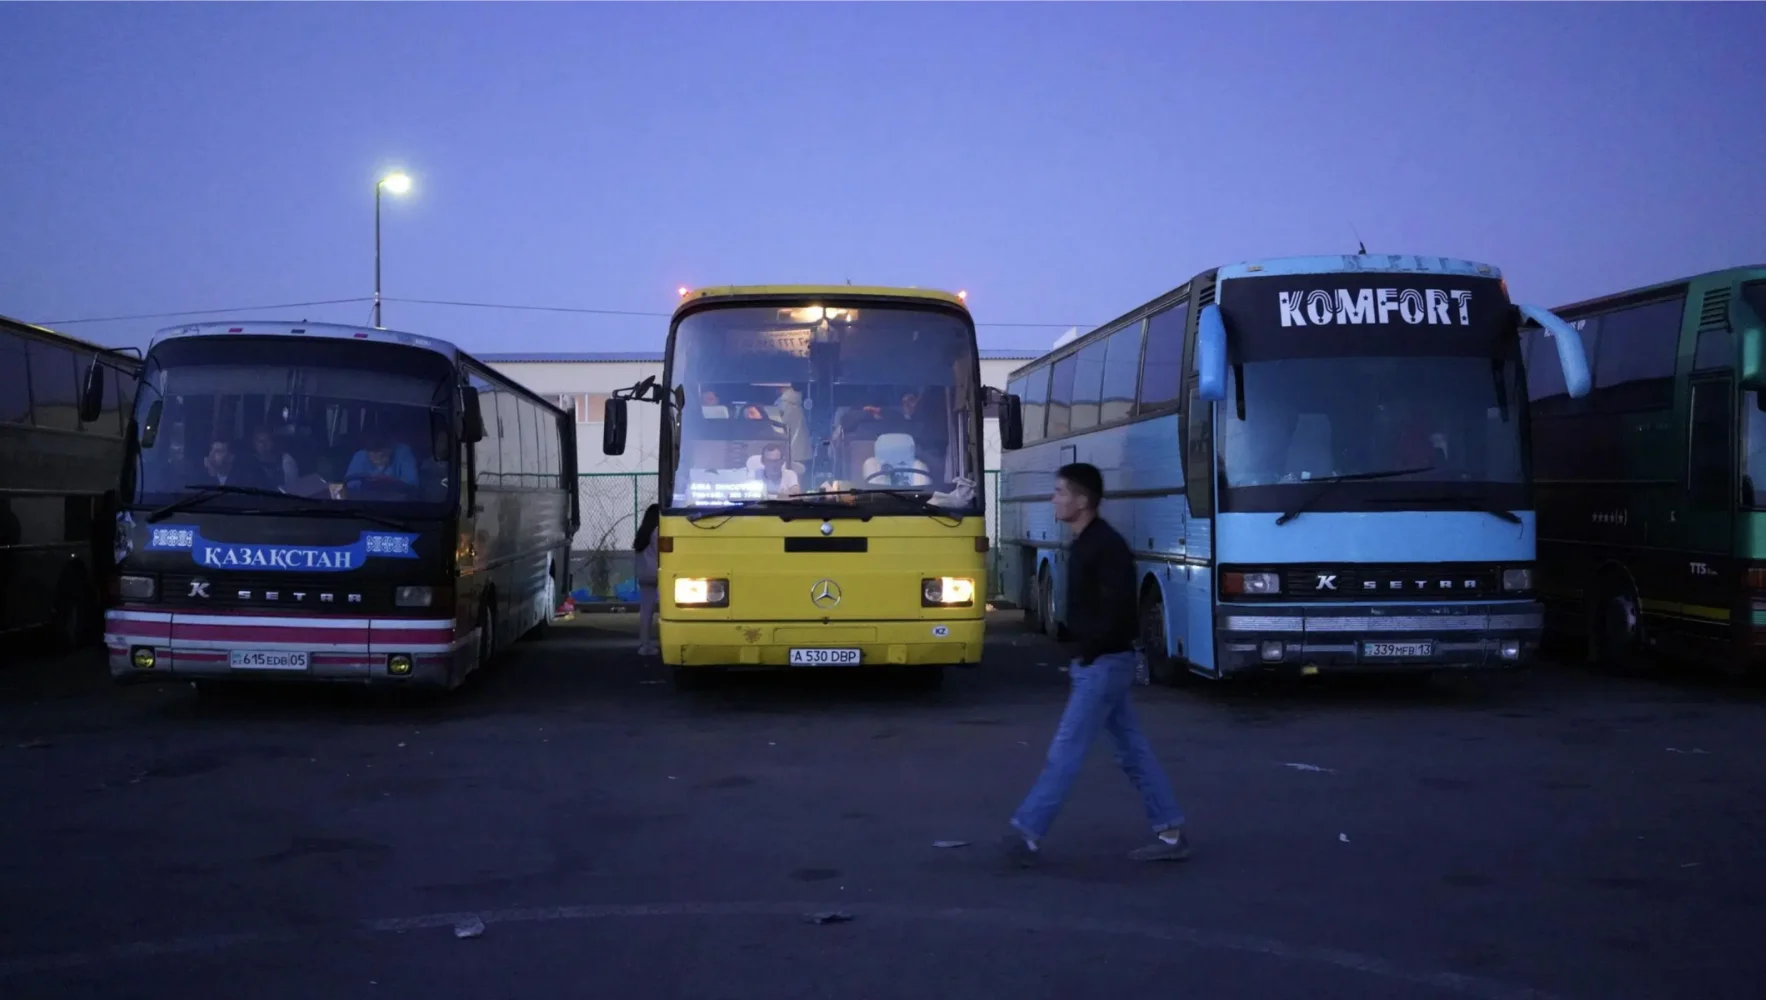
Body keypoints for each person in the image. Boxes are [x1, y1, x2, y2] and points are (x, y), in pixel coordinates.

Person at [1001, 461, 1190, 866]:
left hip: (1103, 665)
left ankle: (1028, 832)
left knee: (1065, 750)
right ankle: (1170, 831)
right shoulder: (1089, 542)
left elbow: (1119, 610)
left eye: (1060, 492)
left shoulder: (1105, 546)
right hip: (1104, 662)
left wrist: (1089, 651)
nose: (1053, 499)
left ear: (1082, 501)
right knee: (1131, 751)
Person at [344, 434, 419, 494]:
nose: (378, 460)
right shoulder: (360, 456)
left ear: (391, 448)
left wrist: (390, 481)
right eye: (373, 455)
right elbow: (350, 483)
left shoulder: (404, 453)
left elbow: (412, 484)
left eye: (383, 455)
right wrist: (366, 485)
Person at [633, 503, 661, 656]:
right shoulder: (657, 532)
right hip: (656, 573)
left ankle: (644, 644)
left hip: (643, 574)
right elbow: (660, 554)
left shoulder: (642, 533)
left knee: (646, 612)